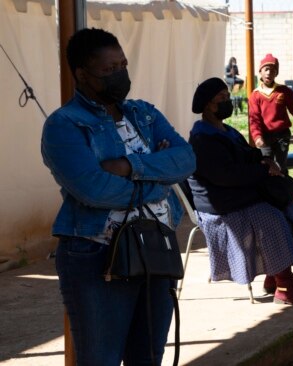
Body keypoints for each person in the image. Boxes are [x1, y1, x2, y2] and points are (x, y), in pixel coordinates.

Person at [40, 28, 196, 365]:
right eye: (108, 70)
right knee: (102, 359)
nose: (120, 74)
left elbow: (186, 159)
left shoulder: (144, 114)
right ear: (83, 74)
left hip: (155, 248)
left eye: (122, 64)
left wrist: (129, 166)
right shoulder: (64, 125)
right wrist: (158, 177)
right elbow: (93, 189)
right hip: (97, 254)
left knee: (148, 356)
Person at [188, 77, 293, 307]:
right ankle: (285, 288)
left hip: (234, 193)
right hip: (220, 202)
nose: (228, 102)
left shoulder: (226, 131)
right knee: (270, 218)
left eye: (228, 97)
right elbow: (226, 176)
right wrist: (261, 172)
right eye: (222, 98)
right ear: (209, 104)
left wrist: (265, 160)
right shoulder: (202, 139)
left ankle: (274, 278)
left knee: (286, 208)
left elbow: (247, 154)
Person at [248, 53, 293, 173]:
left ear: (276, 73)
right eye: (266, 69)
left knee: (280, 166)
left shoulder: (283, 91)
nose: (269, 73)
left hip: (281, 136)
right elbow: (254, 119)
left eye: (272, 70)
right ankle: (267, 190)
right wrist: (257, 137)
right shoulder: (255, 95)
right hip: (265, 136)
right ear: (261, 71)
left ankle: (283, 188)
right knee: (266, 166)